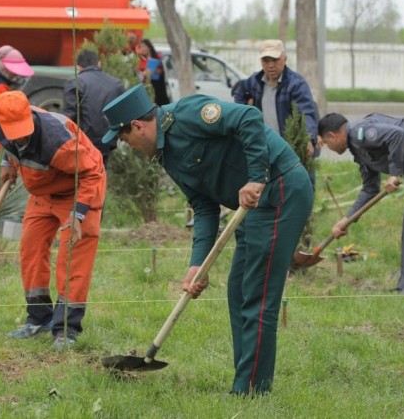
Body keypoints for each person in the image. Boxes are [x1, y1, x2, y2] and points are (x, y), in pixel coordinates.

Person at [102, 84, 313, 396]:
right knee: (238, 292)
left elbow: (248, 117)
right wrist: (197, 265)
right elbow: (202, 205)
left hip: (280, 189)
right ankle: (248, 381)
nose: (127, 145)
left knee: (257, 295)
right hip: (254, 204)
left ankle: (251, 390)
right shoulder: (167, 155)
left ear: (136, 126)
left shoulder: (188, 115)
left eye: (124, 138)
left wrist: (256, 176)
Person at [0, 91, 106, 348]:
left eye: (23, 130)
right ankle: (39, 318)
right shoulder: (5, 120)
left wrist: (78, 214)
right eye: (14, 132)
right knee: (31, 249)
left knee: (72, 256)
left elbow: (91, 175)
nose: (20, 135)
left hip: (78, 191)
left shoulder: (59, 141)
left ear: (29, 116)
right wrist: (8, 163)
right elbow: (11, 145)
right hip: (43, 194)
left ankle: (66, 329)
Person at [317, 112, 404, 294]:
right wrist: (347, 219)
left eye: (327, 144)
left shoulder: (360, 131)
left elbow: (396, 134)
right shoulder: (358, 148)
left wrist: (394, 173)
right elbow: (370, 189)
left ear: (332, 136)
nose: (329, 148)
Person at [233, 39, 319, 184]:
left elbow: (307, 112)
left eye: (275, 60)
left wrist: (309, 138)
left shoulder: (296, 83)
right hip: (266, 144)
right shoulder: (254, 81)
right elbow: (239, 93)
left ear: (284, 59)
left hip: (292, 145)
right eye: (266, 60)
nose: (270, 65)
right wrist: (245, 112)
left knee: (301, 183)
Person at [62, 49, 125, 167]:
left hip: (84, 142)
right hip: (108, 142)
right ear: (99, 63)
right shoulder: (116, 84)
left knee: (85, 177)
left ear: (78, 66)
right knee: (101, 172)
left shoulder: (75, 83)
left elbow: (69, 116)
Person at [137, 38, 170, 106]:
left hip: (158, 90)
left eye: (143, 46)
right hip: (147, 89)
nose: (141, 49)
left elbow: (149, 73)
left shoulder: (156, 59)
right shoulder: (142, 60)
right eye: (140, 47)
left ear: (149, 47)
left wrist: (141, 73)